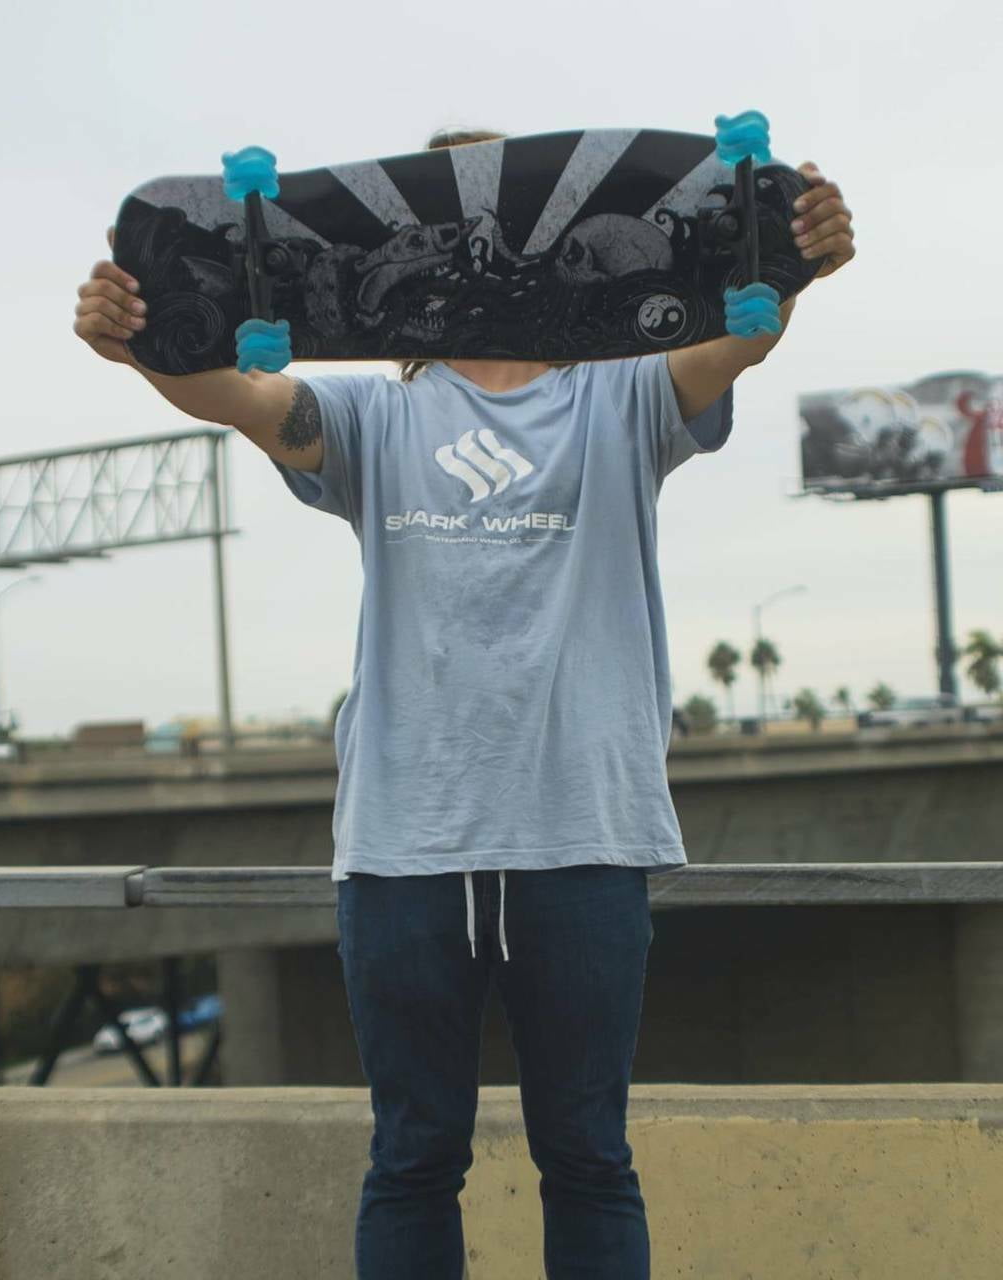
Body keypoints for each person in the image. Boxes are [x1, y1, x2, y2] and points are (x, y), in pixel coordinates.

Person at [74, 127, 855, 1280]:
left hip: (583, 834)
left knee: (587, 1155)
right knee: (413, 1155)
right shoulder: (372, 418)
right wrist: (139, 340)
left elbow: (738, 337)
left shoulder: (623, 398)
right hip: (406, 845)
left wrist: (789, 256)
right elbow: (231, 392)